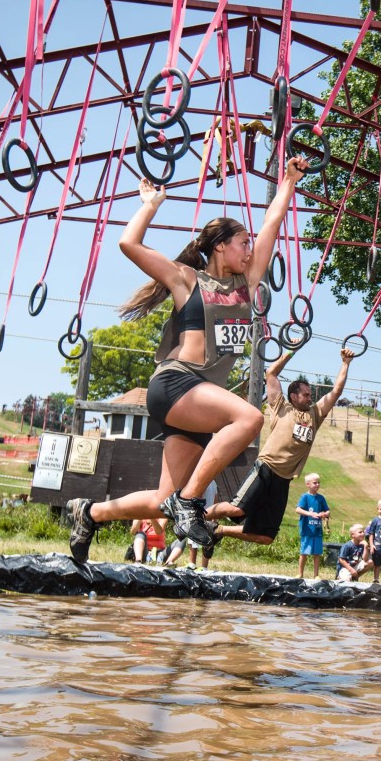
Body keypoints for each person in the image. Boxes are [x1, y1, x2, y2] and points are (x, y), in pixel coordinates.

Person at [65, 159, 308, 561]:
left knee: (162, 499)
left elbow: (272, 222)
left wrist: (288, 182)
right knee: (250, 418)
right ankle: (190, 500)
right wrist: (151, 204)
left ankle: (89, 512)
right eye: (242, 242)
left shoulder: (247, 284)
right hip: (176, 383)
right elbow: (129, 245)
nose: (250, 248)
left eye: (250, 244)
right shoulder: (187, 279)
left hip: (199, 403)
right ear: (219, 246)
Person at [202, 347, 354, 551]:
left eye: (311, 395)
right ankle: (195, 516)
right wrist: (292, 351)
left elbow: (336, 392)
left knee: (265, 536)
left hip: (283, 480)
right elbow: (271, 374)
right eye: (306, 395)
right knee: (235, 509)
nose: (311, 398)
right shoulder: (281, 406)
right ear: (293, 396)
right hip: (266, 468)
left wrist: (345, 363)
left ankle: (217, 531)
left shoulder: (315, 414)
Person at [296, 472, 329, 579]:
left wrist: (324, 514)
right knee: (304, 552)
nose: (317, 485)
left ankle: (316, 575)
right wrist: (310, 514)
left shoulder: (321, 498)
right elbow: (298, 509)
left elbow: (327, 511)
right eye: (315, 483)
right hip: (307, 530)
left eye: (319, 482)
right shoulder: (304, 497)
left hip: (317, 530)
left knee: (317, 553)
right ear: (308, 484)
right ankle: (300, 573)